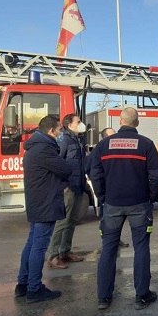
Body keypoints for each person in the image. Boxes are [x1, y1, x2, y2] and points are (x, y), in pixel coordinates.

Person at [89, 107, 158, 310]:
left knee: (109, 249)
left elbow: (94, 173)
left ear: (120, 121)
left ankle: (104, 297)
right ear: (137, 122)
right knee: (141, 248)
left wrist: (102, 196)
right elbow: (156, 174)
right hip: (139, 203)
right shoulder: (146, 145)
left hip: (112, 204)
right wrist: (151, 197)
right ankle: (142, 295)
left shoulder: (104, 145)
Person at [15, 116, 73, 303]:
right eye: (59, 130)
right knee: (39, 247)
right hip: (45, 203)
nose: (61, 133)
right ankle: (34, 288)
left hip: (38, 201)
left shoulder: (35, 147)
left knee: (32, 243)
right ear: (51, 131)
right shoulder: (45, 149)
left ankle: (22, 284)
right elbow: (65, 168)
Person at [46, 114, 89, 269]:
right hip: (68, 187)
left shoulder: (78, 140)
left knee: (71, 221)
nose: (81, 124)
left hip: (78, 185)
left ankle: (65, 252)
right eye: (78, 122)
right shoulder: (64, 140)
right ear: (69, 125)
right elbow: (57, 163)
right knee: (62, 222)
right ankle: (53, 256)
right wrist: (62, 185)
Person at [85, 127, 129, 248]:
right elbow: (90, 170)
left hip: (115, 190)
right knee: (105, 219)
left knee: (116, 220)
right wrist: (100, 190)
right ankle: (106, 240)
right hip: (105, 191)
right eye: (112, 135)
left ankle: (115, 239)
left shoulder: (114, 149)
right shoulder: (99, 150)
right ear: (105, 137)